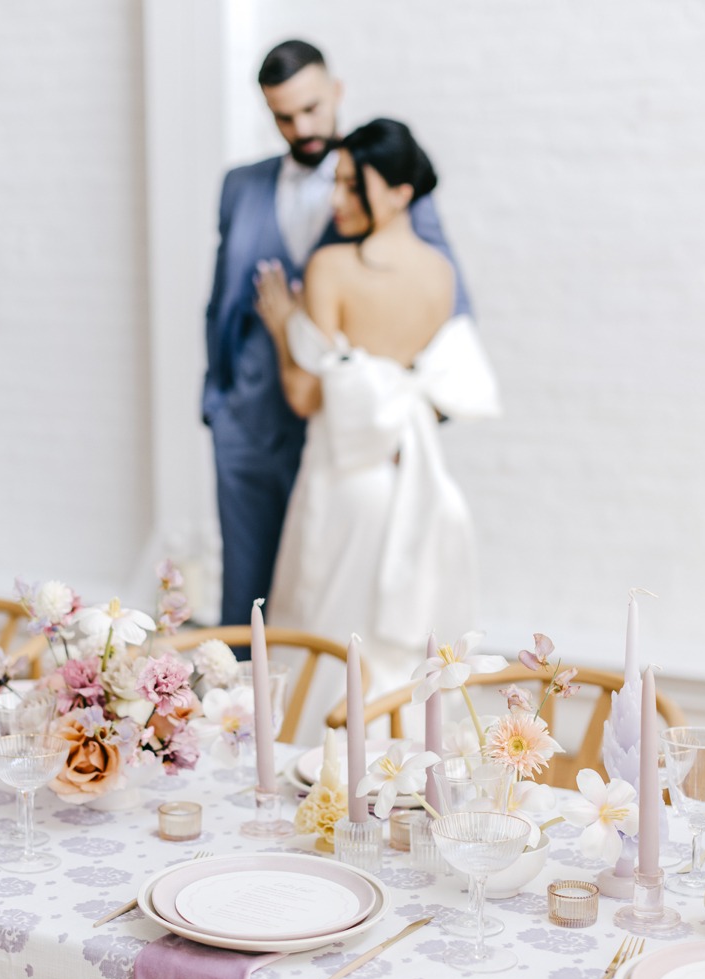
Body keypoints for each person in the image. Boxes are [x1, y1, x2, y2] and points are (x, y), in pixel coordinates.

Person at [203, 39, 473, 629]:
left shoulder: (393, 186)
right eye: (283, 116)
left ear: (337, 92)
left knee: (321, 611)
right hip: (247, 433)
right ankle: (240, 721)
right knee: (243, 607)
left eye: (312, 109)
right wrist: (217, 404)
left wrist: (401, 420)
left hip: (345, 439)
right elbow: (220, 301)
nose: (301, 127)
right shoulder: (240, 186)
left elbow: (451, 323)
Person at [254, 118, 500, 729]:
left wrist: (284, 327)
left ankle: (314, 764)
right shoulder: (439, 273)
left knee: (325, 632)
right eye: (335, 185)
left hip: (345, 478)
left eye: (351, 186)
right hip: (414, 479)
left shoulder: (332, 267)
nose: (337, 201)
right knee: (394, 641)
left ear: (399, 192)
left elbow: (306, 396)